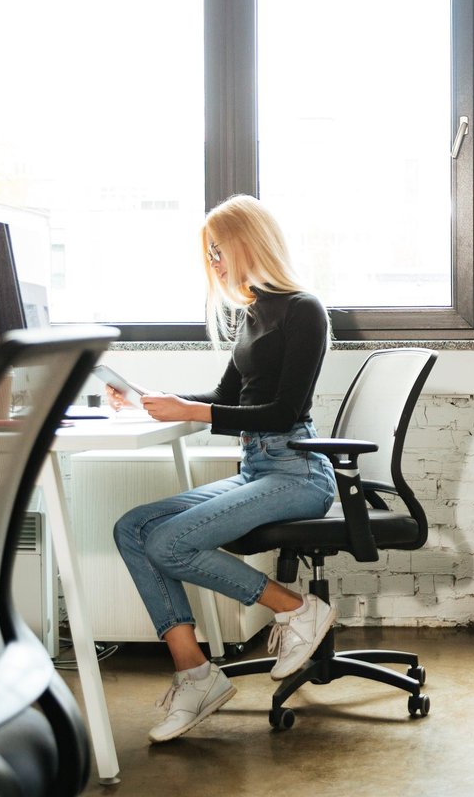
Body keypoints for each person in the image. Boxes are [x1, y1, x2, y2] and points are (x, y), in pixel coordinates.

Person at [110, 194, 338, 744]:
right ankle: (196, 676)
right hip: (257, 467)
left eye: (219, 250)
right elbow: (223, 397)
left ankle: (298, 609)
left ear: (248, 243)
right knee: (133, 528)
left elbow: (284, 409)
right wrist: (153, 399)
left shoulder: (304, 310)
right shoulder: (252, 314)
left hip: (297, 471)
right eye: (207, 253)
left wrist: (195, 412)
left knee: (168, 544)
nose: (214, 263)